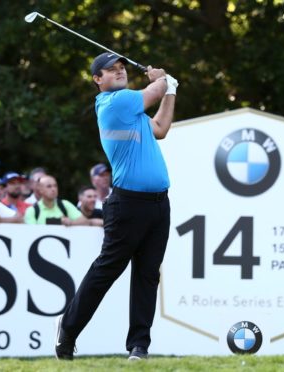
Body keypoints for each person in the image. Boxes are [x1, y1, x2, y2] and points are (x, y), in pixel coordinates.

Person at [55, 52, 178, 361]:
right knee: (108, 269)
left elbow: (161, 128)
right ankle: (68, 329)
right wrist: (164, 79)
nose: (120, 71)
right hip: (127, 204)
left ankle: (139, 346)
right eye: (111, 69)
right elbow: (154, 90)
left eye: (122, 67)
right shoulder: (114, 103)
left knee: (147, 275)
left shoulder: (131, 112)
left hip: (158, 204)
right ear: (98, 80)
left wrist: (171, 90)